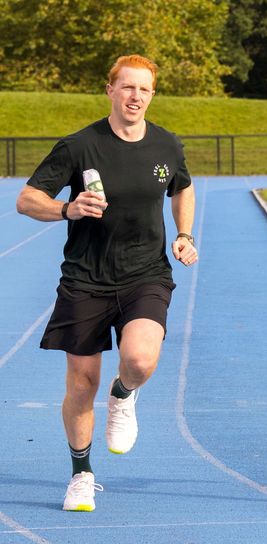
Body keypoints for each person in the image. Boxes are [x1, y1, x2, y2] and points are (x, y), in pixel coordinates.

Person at [15, 54, 197, 511]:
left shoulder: (167, 145)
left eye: (144, 89)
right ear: (110, 90)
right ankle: (81, 474)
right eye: (128, 87)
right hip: (86, 279)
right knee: (82, 383)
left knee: (140, 360)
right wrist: (67, 208)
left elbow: (181, 187)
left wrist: (184, 234)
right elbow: (27, 199)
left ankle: (124, 394)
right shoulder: (79, 146)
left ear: (152, 95)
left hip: (146, 274)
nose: (136, 96)